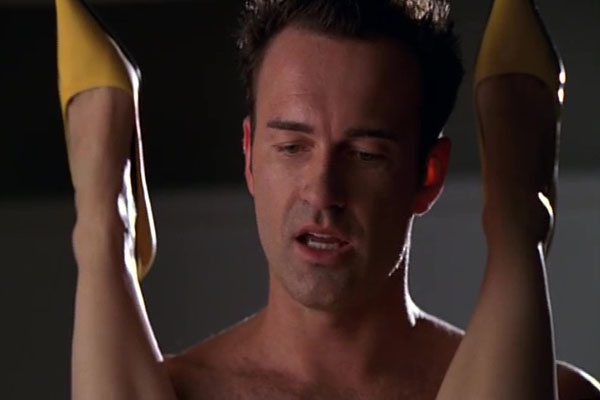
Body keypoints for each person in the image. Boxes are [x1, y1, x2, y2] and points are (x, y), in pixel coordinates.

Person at [58, 0, 600, 398]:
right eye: (292, 147)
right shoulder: (173, 391)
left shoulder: (562, 395)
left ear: (427, 176)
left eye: (365, 154)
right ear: (250, 157)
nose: (322, 192)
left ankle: (516, 217)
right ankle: (105, 227)